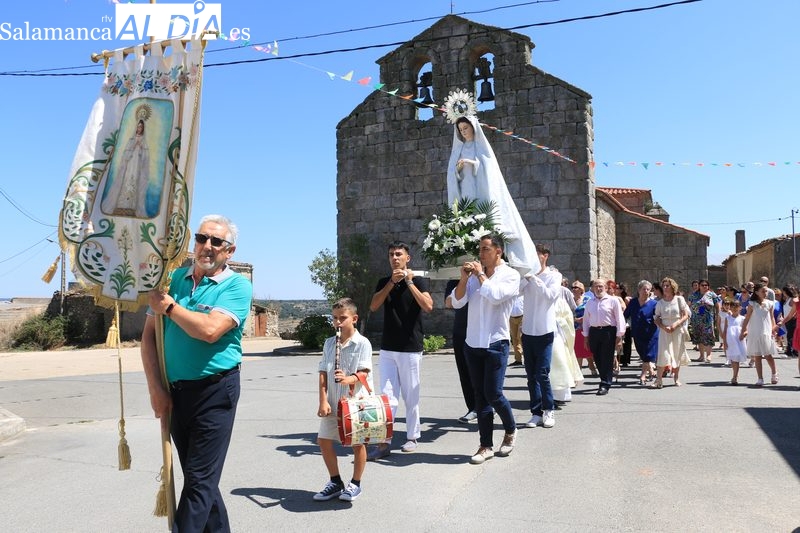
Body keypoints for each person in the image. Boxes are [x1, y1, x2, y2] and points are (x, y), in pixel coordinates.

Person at [141, 214, 252, 532]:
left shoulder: (237, 286)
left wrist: (171, 308)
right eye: (202, 238)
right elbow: (149, 337)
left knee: (199, 483)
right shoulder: (172, 280)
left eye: (217, 242)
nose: (207, 246)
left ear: (229, 251)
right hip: (176, 392)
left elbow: (210, 330)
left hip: (215, 392)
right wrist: (156, 389)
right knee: (199, 477)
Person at [450, 234, 520, 464]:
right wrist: (463, 279)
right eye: (479, 249)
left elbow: (495, 296)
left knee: (493, 393)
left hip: (496, 343)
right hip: (472, 343)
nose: (480, 254)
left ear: (498, 251)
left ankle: (510, 429)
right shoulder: (472, 278)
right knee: (480, 397)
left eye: (485, 249)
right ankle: (485, 445)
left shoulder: (510, 275)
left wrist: (480, 274)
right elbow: (457, 302)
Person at [446, 115, 540, 276]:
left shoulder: (482, 147)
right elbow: (451, 175)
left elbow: (489, 171)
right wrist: (458, 169)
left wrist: (473, 163)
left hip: (482, 190)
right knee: (467, 214)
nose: (464, 132)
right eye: (461, 130)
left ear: (473, 128)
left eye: (466, 128)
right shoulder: (458, 150)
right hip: (466, 189)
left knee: (483, 214)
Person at [368, 241, 433, 458]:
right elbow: (374, 305)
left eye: (399, 254)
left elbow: (428, 306)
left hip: (411, 348)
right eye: (391, 255)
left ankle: (412, 436)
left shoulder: (419, 281)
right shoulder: (383, 282)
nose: (394, 258)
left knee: (411, 395)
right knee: (386, 397)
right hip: (388, 348)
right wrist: (390, 285)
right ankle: (384, 442)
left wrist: (409, 282)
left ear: (408, 258)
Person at [313, 298, 373, 502]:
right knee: (323, 440)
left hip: (355, 402)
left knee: (357, 444)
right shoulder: (330, 343)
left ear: (354, 319)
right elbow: (323, 372)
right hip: (332, 400)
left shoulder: (362, 343)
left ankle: (356, 484)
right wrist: (323, 400)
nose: (338, 322)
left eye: (343, 318)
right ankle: (335, 481)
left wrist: (349, 379)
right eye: (335, 318)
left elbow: (364, 372)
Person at [519, 243, 561, 428]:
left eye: (537, 255)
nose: (534, 259)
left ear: (545, 256)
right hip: (528, 331)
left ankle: (548, 410)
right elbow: (516, 291)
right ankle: (535, 412)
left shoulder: (554, 276)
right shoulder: (527, 277)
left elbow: (550, 295)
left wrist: (534, 279)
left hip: (545, 331)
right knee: (531, 375)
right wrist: (525, 277)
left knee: (542, 373)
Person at [582, 279, 626, 395]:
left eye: (601, 286)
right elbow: (586, 320)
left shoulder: (613, 301)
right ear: (593, 288)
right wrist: (586, 337)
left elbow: (619, 319)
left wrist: (619, 335)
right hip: (594, 332)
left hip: (608, 331)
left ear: (606, 288)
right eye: (596, 286)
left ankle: (605, 383)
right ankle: (605, 377)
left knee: (606, 357)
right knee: (597, 357)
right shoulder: (590, 302)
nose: (598, 289)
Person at [102, 118, 153, 218]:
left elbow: (146, 157)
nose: (139, 128)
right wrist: (134, 146)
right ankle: (121, 206)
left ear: (143, 129)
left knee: (134, 183)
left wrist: (142, 148)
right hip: (129, 165)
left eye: (141, 127)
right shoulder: (131, 140)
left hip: (137, 166)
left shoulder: (144, 141)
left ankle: (131, 207)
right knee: (126, 181)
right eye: (138, 126)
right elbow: (125, 154)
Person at [445, 279, 476, 423]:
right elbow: (449, 303)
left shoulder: (485, 279)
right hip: (461, 331)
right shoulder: (455, 282)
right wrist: (463, 280)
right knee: (465, 372)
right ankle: (473, 408)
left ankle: (487, 405)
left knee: (482, 374)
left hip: (481, 332)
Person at [652, 277, 691, 388]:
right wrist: (663, 327)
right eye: (663, 286)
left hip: (677, 330)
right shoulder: (660, 303)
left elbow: (685, 315)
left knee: (676, 353)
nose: (665, 288)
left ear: (672, 287)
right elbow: (657, 318)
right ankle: (658, 380)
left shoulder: (679, 299)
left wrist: (675, 325)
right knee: (662, 354)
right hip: (664, 331)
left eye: (667, 285)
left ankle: (676, 378)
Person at [740, 282, 779, 386]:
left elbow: (771, 317)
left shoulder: (770, 303)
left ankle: (774, 373)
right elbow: (747, 318)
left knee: (768, 355)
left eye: (766, 291)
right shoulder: (752, 303)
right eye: (763, 291)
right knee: (757, 356)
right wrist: (743, 330)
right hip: (755, 332)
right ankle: (760, 378)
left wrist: (774, 329)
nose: (765, 293)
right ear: (757, 292)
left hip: (766, 331)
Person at [624, 280, 659, 385]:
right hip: (637, 333)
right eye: (644, 289)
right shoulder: (633, 302)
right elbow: (625, 315)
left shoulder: (654, 304)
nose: (646, 291)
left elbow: (658, 317)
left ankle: (642, 376)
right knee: (643, 355)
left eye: (648, 289)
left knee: (648, 355)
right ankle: (651, 370)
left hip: (651, 334)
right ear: (639, 290)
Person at [571, 281, 597, 376]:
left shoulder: (588, 299)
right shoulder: (570, 300)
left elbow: (593, 311)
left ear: (581, 289)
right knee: (577, 350)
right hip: (574, 328)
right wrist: (574, 319)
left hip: (586, 327)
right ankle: (578, 372)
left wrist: (584, 319)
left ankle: (591, 365)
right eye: (572, 287)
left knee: (587, 349)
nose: (573, 289)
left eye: (576, 287)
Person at [692, 280, 721, 363]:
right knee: (699, 337)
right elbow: (689, 304)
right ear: (699, 286)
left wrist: (717, 316)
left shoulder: (712, 294)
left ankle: (708, 355)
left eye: (706, 285)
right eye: (702, 285)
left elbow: (717, 306)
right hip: (697, 319)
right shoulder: (694, 295)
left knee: (709, 336)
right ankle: (701, 355)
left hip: (708, 319)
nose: (704, 286)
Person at [721, 299, 747, 385]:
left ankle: (735, 376)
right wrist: (725, 342)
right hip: (730, 341)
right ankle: (735, 375)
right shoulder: (727, 318)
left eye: (737, 306)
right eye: (733, 306)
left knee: (736, 358)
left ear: (740, 308)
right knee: (733, 358)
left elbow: (746, 330)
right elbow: (725, 331)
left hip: (738, 340)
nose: (735, 308)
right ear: (730, 308)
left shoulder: (742, 318)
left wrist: (743, 335)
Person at [508, 294, 524, 367]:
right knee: (514, 339)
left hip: (522, 317)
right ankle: (518, 360)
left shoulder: (522, 293)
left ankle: (527, 358)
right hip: (512, 317)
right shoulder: (511, 294)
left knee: (520, 337)